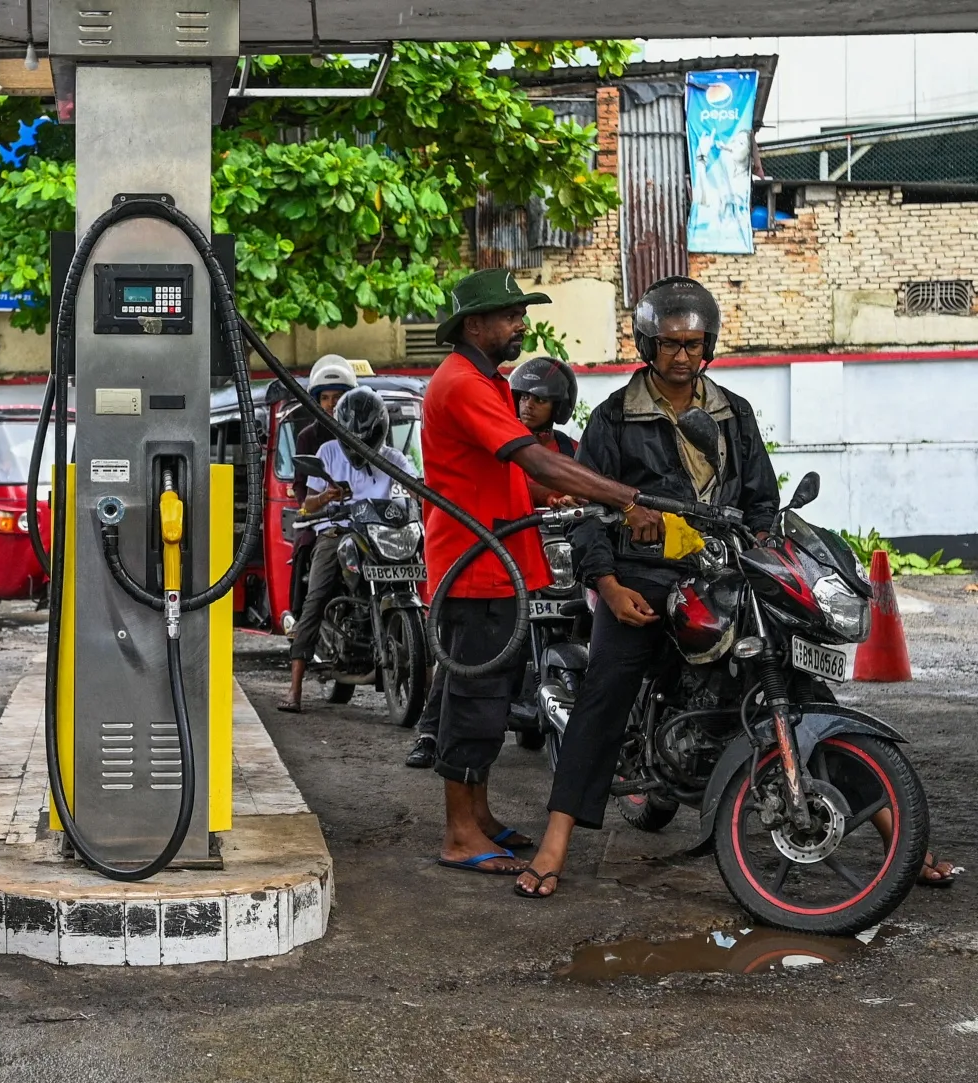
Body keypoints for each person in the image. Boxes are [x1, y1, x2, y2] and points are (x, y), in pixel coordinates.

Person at [511, 277, 959, 896]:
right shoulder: (614, 417)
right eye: (669, 344)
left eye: (693, 344)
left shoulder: (733, 413)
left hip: (722, 573)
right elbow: (589, 508)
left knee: (800, 680)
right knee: (606, 692)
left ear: (708, 346)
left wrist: (765, 555)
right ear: (647, 344)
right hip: (642, 575)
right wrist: (610, 587)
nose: (682, 356)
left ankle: (903, 837)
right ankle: (554, 846)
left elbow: (759, 503)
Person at [418, 269, 664, 877]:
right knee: (471, 703)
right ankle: (457, 834)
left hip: (495, 565)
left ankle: (479, 818)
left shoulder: (486, 381)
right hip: (473, 571)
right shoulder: (464, 384)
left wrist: (538, 495)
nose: (519, 325)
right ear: (475, 325)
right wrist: (625, 500)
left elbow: (506, 470)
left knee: (489, 702)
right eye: (509, 316)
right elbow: (532, 457)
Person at [407, 356, 582, 767]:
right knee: (466, 657)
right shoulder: (503, 434)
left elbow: (565, 483)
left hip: (546, 556)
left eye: (538, 399)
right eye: (521, 397)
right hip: (494, 558)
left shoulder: (570, 449)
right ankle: (431, 731)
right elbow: (531, 478)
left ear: (559, 405)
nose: (526, 406)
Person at [278, 356, 363, 711]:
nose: (332, 404)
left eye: (338, 397)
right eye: (326, 397)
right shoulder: (310, 437)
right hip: (324, 522)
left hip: (364, 523)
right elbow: (301, 488)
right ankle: (295, 688)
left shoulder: (366, 430)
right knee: (312, 592)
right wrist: (320, 502)